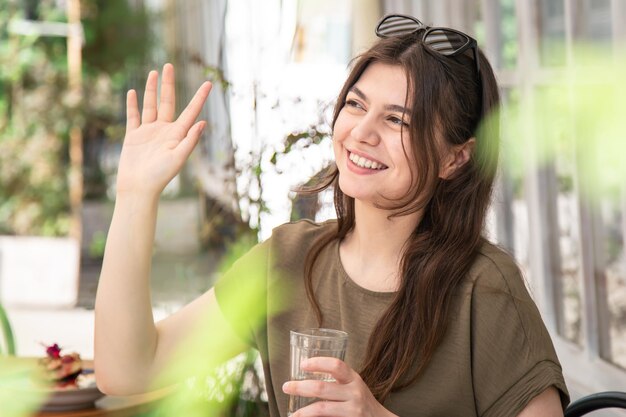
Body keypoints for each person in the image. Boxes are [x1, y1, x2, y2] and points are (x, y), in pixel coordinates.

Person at [95, 14, 569, 417]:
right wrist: (136, 196)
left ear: (455, 158)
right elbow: (130, 370)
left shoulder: (483, 287)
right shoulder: (287, 261)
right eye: (356, 105)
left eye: (397, 120)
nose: (361, 132)